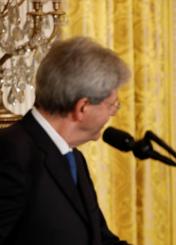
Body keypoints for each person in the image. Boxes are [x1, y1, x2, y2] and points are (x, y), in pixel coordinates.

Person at [0, 37, 130, 245]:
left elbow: (100, 239)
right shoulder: (11, 153)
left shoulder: (73, 157)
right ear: (82, 107)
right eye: (112, 105)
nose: (113, 114)